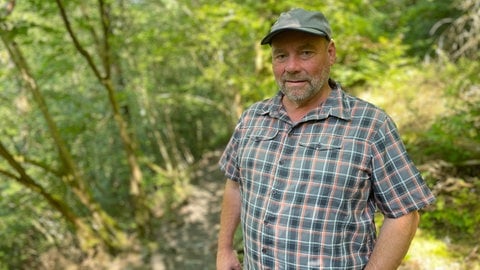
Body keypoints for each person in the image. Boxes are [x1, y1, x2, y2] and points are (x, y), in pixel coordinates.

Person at [216, 8, 435, 270]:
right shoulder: (252, 118)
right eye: (281, 56)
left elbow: (404, 213)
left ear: (330, 53)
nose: (292, 67)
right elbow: (235, 184)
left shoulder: (370, 125)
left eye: (306, 52)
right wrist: (225, 248)